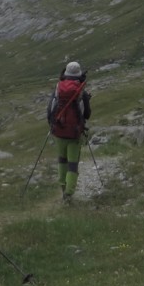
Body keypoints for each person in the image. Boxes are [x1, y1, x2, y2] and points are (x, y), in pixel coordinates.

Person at [47, 61, 92, 203]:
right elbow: (87, 114)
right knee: (73, 164)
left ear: (65, 73)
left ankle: (62, 187)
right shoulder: (81, 91)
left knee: (62, 161)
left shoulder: (58, 89)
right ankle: (69, 194)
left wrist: (53, 125)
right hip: (74, 134)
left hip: (59, 132)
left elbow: (50, 110)